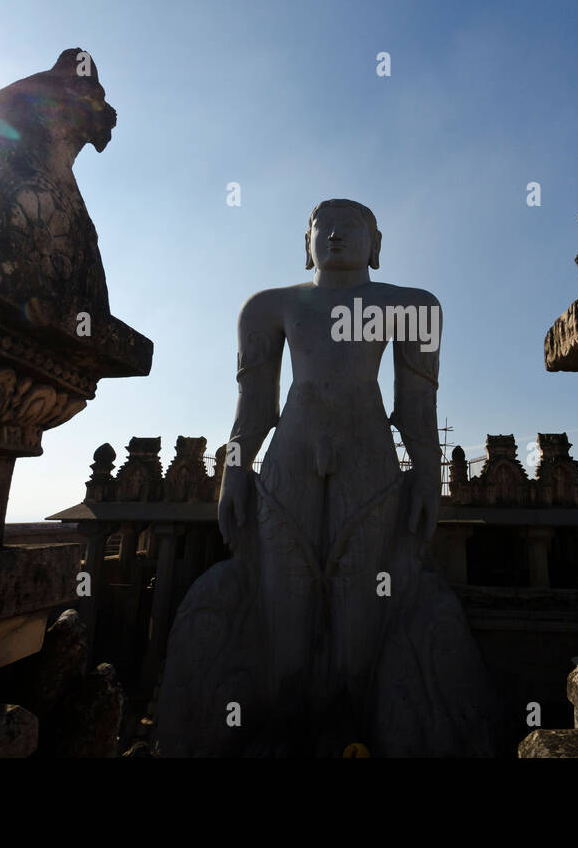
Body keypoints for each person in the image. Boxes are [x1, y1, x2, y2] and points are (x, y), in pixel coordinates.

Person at [156, 199, 497, 756]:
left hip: (369, 464)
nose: (336, 234)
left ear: (376, 244)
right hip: (290, 462)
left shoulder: (409, 305)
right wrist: (234, 474)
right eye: (324, 226)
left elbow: (416, 405)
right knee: (281, 609)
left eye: (353, 226)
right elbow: (255, 405)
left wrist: (428, 478)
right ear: (306, 240)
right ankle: (282, 721)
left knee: (360, 608)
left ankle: (353, 724)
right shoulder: (270, 306)